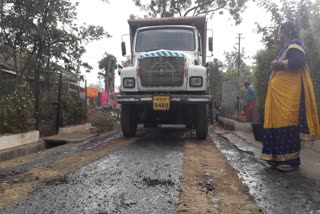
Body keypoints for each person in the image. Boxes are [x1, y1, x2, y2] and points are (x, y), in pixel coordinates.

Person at [261, 21, 320, 171]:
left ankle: (291, 161)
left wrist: (277, 64)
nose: (278, 34)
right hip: (279, 98)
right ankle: (276, 157)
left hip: (289, 97)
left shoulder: (294, 44)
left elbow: (299, 61)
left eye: (279, 31)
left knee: (288, 123)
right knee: (276, 123)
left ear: (284, 32)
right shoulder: (285, 48)